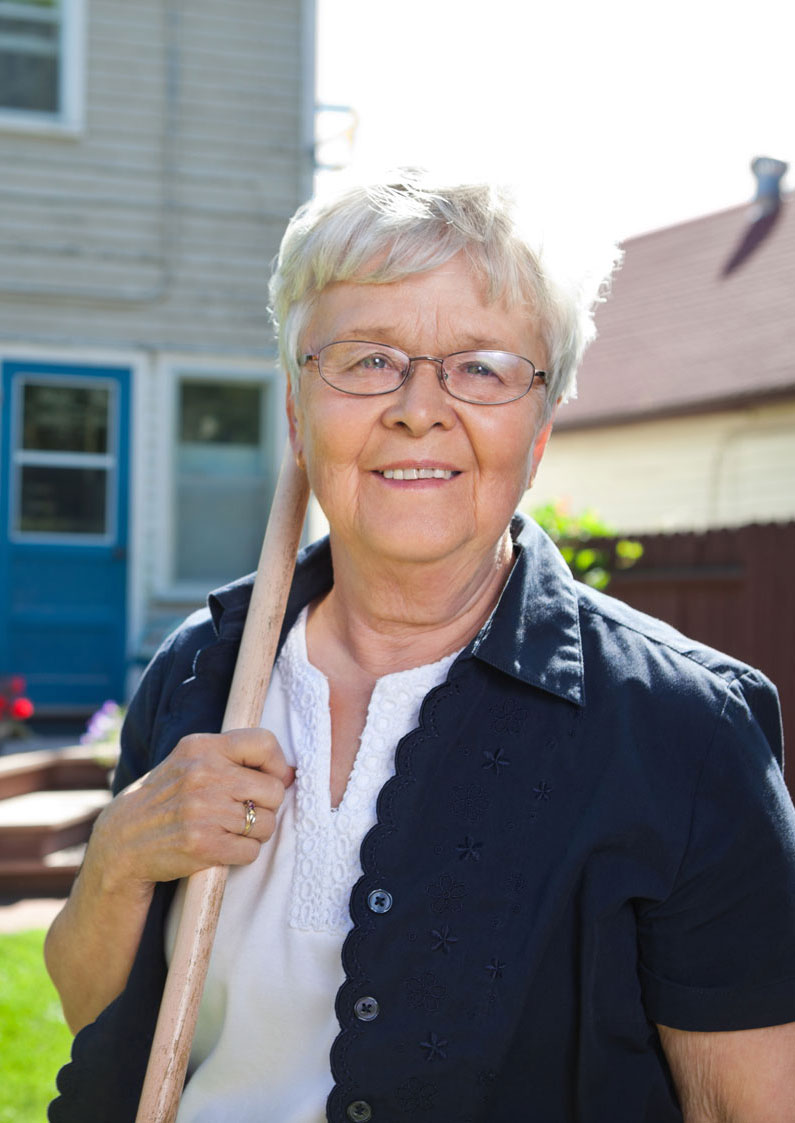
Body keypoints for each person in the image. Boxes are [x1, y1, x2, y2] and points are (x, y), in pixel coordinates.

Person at [46, 173, 795, 1123]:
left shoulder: (683, 731)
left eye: (481, 368)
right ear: (296, 410)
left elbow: (748, 1108)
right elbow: (88, 1009)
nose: (418, 406)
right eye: (365, 360)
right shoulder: (202, 672)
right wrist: (119, 856)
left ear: (539, 430)